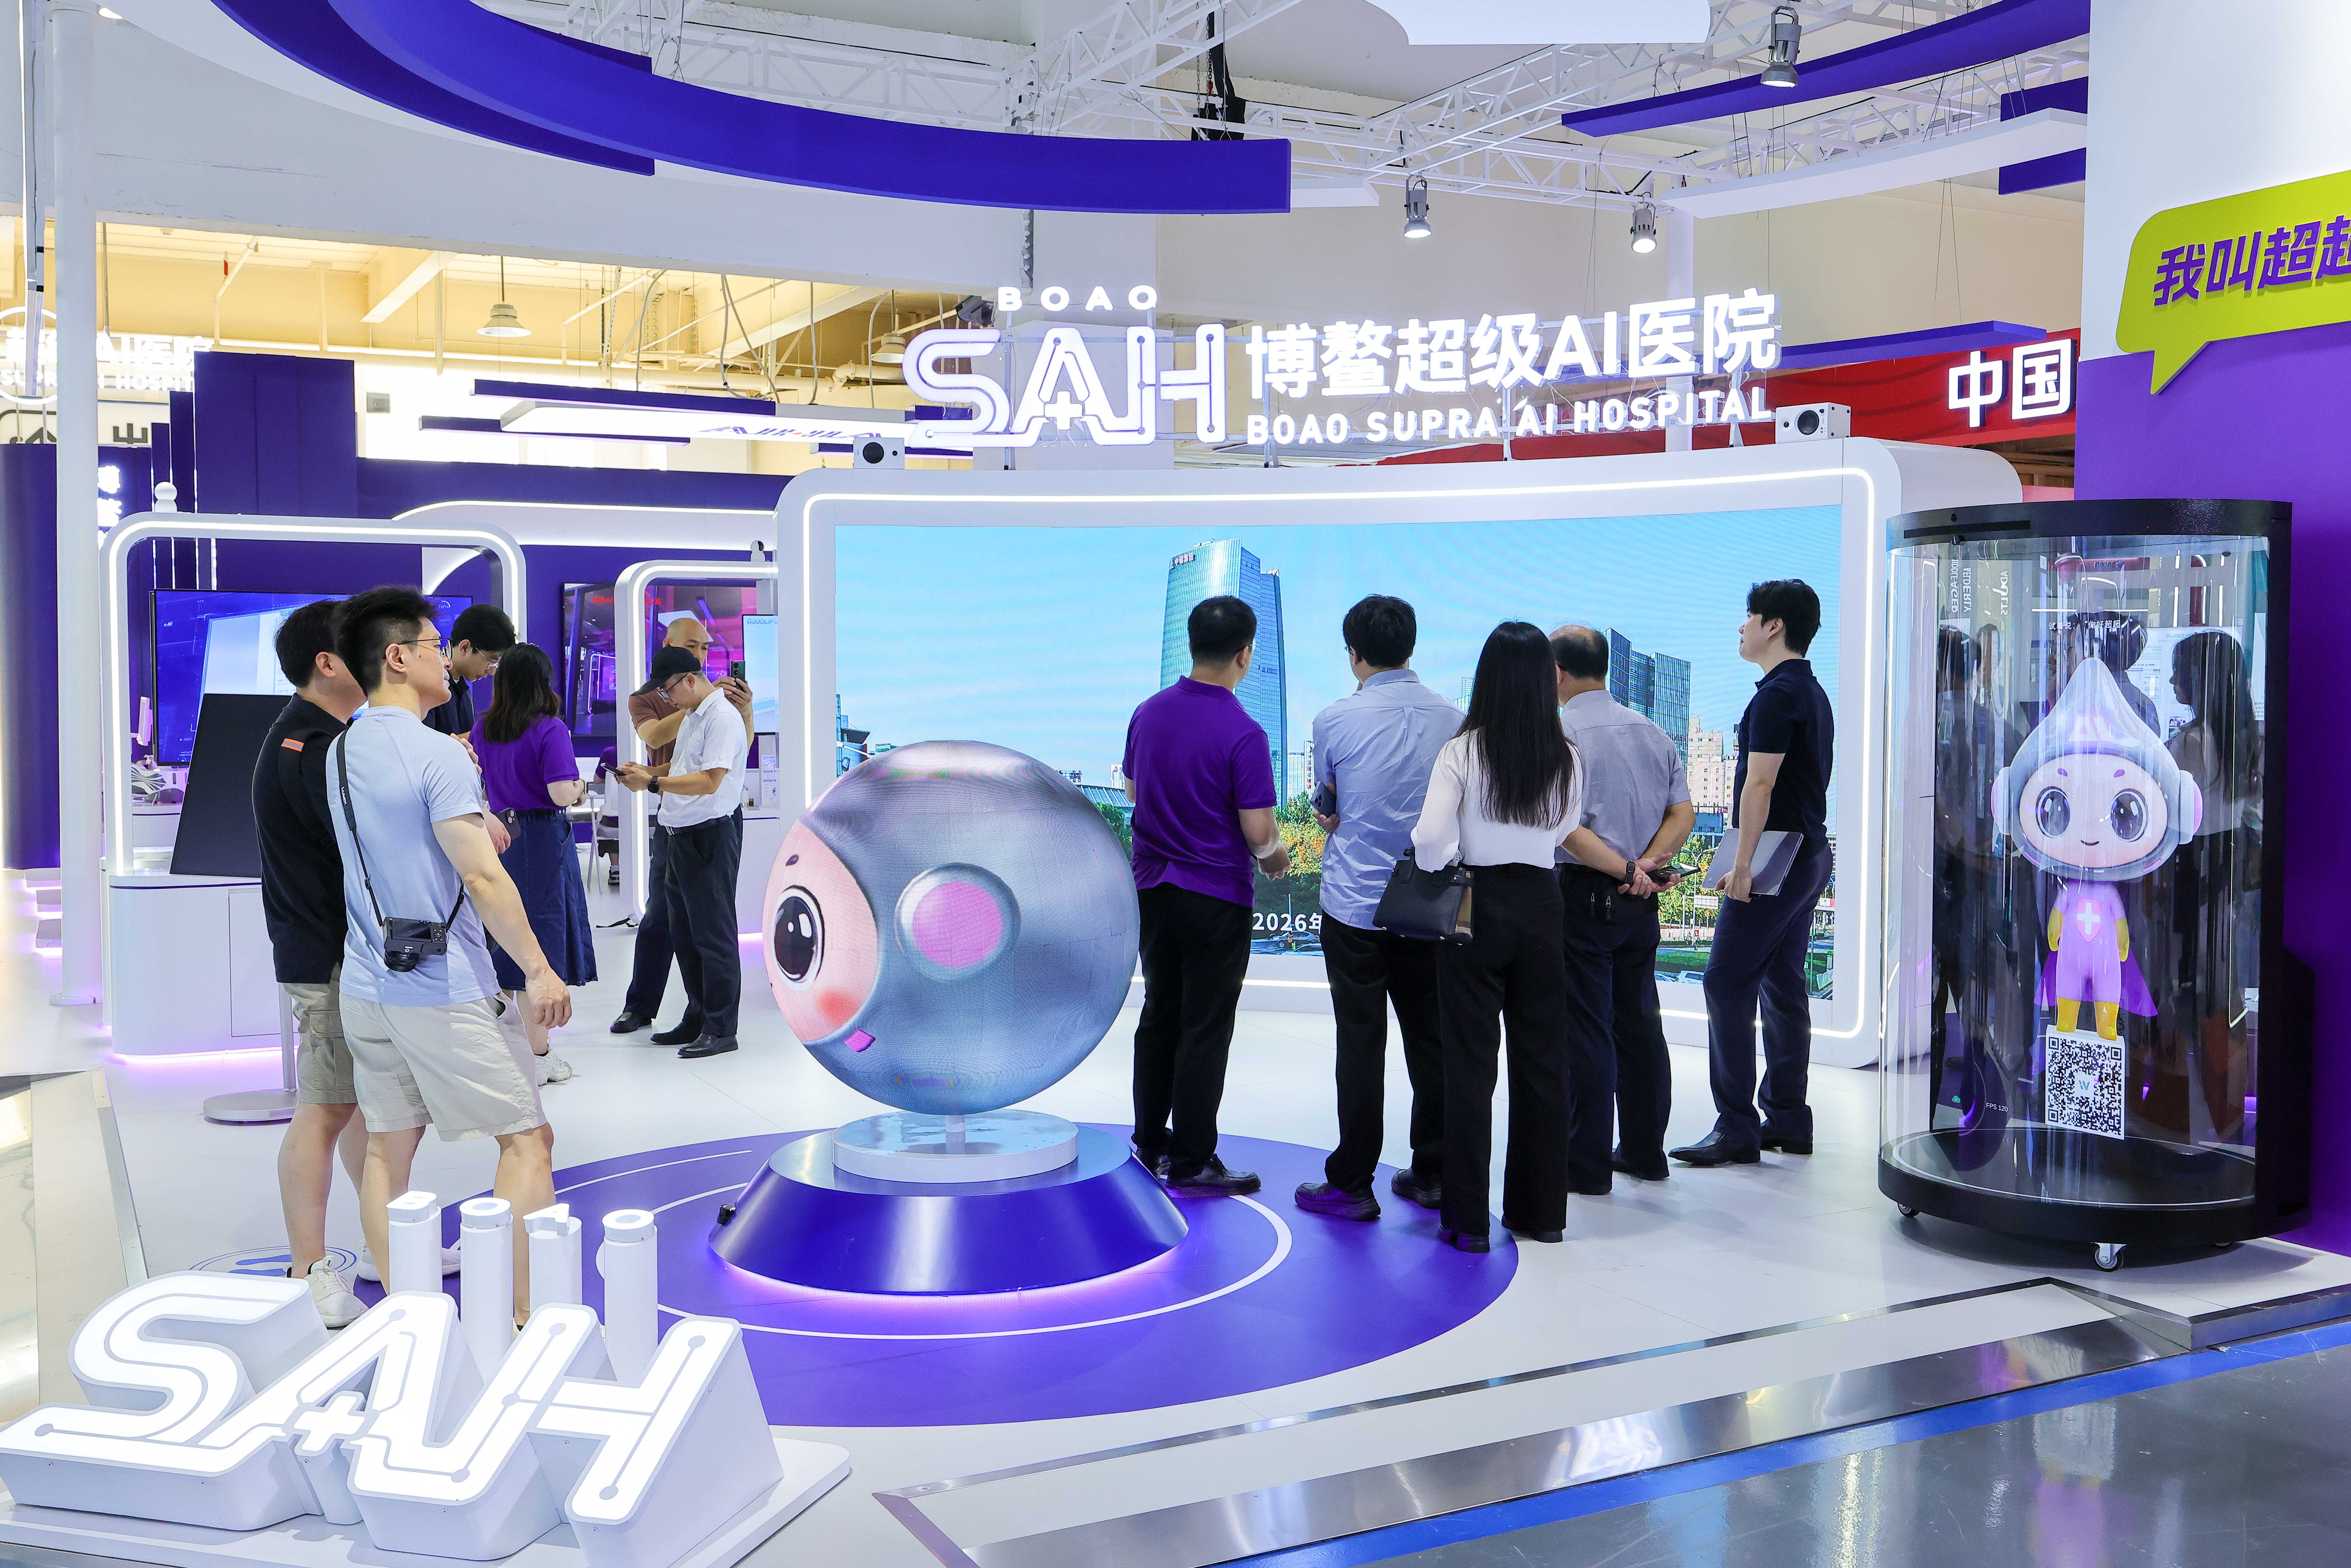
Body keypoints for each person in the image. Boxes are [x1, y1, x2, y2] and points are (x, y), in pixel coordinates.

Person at [327, 587, 571, 1321]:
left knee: (386, 1151)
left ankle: (411, 1322)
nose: (449, 660)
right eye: (435, 646)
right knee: (528, 1140)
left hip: (368, 981)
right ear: (398, 657)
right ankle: (525, 1318)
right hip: (441, 986)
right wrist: (538, 969)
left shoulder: (343, 747)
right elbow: (482, 877)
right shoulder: (436, 752)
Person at [1410, 621, 1583, 1253]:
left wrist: (1446, 859)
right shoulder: (1566, 755)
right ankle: (1541, 1213)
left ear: (1486, 678)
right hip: (1542, 901)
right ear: (1545, 680)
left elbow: (1430, 838)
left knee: (1469, 1064)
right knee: (1542, 1062)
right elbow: (1563, 829)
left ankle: (1467, 1221)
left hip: (1474, 902)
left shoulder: (1462, 751)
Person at [1293, 595, 1457, 1222]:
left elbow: (1329, 802)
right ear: (1410, 647)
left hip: (1355, 904)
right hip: (1428, 903)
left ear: (1353, 654)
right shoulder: (1456, 720)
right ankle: (1433, 1172)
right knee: (1432, 1041)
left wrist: (1331, 810)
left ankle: (1353, 1183)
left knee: (1360, 1043)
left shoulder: (1334, 719)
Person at [1122, 595, 1289, 1197]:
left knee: (1159, 1013)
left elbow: (1132, 788)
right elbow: (1259, 832)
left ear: (1192, 645)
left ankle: (1149, 1141)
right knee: (1205, 1025)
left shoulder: (1147, 713)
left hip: (1152, 889)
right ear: (1245, 654)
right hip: (1216, 894)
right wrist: (1277, 858)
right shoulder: (1244, 732)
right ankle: (1193, 1160)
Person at [1674, 581, 1835, 1168]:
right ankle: (1787, 1117)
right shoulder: (1810, 691)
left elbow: (1760, 784)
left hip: (1774, 856)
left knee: (1724, 981)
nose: (1740, 627)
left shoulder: (1776, 696)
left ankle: (1737, 1126)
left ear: (1774, 625)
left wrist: (1742, 865)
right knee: (1783, 983)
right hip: (1809, 852)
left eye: (1748, 616)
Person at [250, 599, 370, 1328]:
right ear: (327, 662)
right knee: (325, 1107)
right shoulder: (314, 745)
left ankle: (383, 1238)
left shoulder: (317, 735)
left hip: (338, 949)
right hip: (326, 954)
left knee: (358, 1103)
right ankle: (308, 1268)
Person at [1550, 624, 1696, 1189]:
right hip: (1641, 900)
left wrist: (1624, 868)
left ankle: (1584, 1166)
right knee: (1639, 1025)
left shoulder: (1560, 735)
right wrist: (1646, 865)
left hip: (1585, 892)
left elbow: (1565, 828)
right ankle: (1643, 1152)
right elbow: (1682, 812)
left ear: (1557, 672)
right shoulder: (1652, 731)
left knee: (1586, 1029)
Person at [608, 617, 753, 1039]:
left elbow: (711, 779)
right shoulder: (692, 714)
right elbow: (678, 760)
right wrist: (649, 773)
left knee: (712, 935)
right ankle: (697, 1017)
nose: (667, 699)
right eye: (694, 646)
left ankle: (720, 1028)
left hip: (709, 832)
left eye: (670, 691)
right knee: (683, 932)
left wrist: (652, 783)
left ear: (690, 680)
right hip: (679, 830)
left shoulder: (721, 716)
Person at [472, 643, 597, 1086]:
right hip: (541, 840)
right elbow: (562, 792)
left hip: (499, 836)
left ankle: (506, 1051)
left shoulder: (484, 728)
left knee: (502, 941)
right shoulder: (550, 728)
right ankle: (537, 1055)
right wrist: (581, 786)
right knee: (537, 946)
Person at [424, 603, 517, 739]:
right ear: (465, 647)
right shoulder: (430, 685)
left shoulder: (463, 689)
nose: (492, 672)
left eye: (497, 665)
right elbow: (424, 745)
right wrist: (485, 733)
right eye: (491, 661)